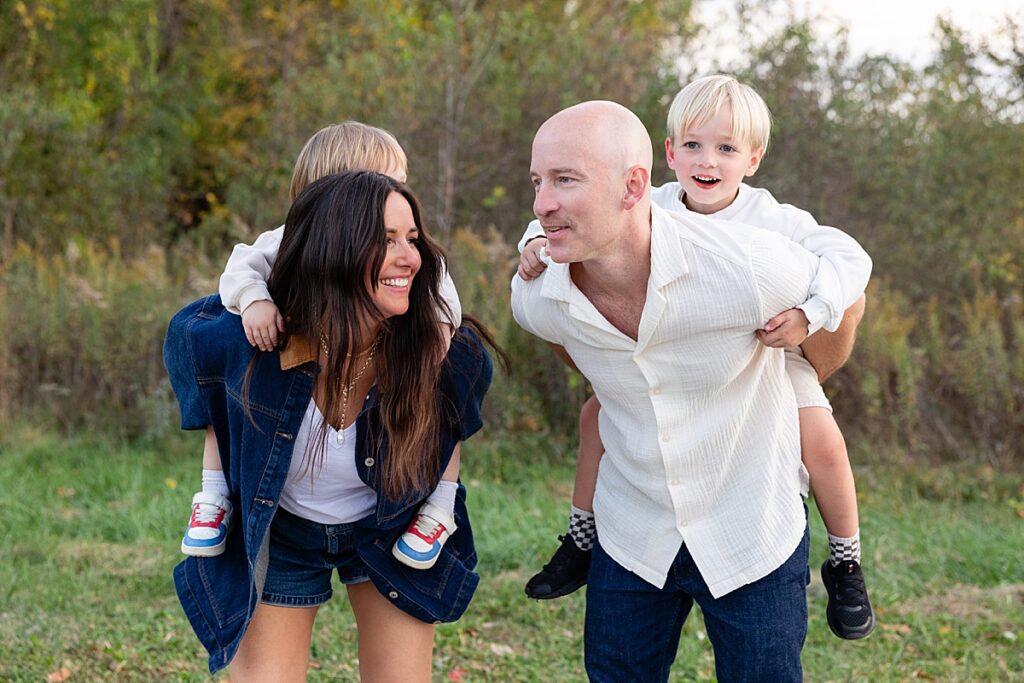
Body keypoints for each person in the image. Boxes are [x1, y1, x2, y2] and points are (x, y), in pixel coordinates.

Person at [517, 75, 875, 641]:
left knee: (821, 437)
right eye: (693, 145)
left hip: (771, 353)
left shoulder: (772, 219)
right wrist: (533, 248)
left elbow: (849, 259)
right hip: (673, 362)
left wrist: (811, 314)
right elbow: (556, 222)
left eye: (727, 149)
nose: (707, 161)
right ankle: (582, 538)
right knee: (597, 417)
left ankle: (846, 559)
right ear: (668, 154)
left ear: (753, 159)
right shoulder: (650, 205)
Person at [165, 171, 497, 679]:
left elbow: (456, 423)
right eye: (385, 241)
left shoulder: (439, 350)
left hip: (389, 530)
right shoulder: (254, 342)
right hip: (285, 535)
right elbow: (189, 335)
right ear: (333, 249)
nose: (410, 256)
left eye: (411, 239)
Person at [180, 122, 466, 571]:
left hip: (379, 469)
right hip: (287, 478)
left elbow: (444, 300)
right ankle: (214, 494)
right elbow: (240, 270)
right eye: (387, 184)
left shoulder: (414, 255)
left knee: (450, 395)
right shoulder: (283, 242)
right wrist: (255, 301)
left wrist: (438, 338)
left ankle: (439, 506)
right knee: (224, 384)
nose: (399, 197)